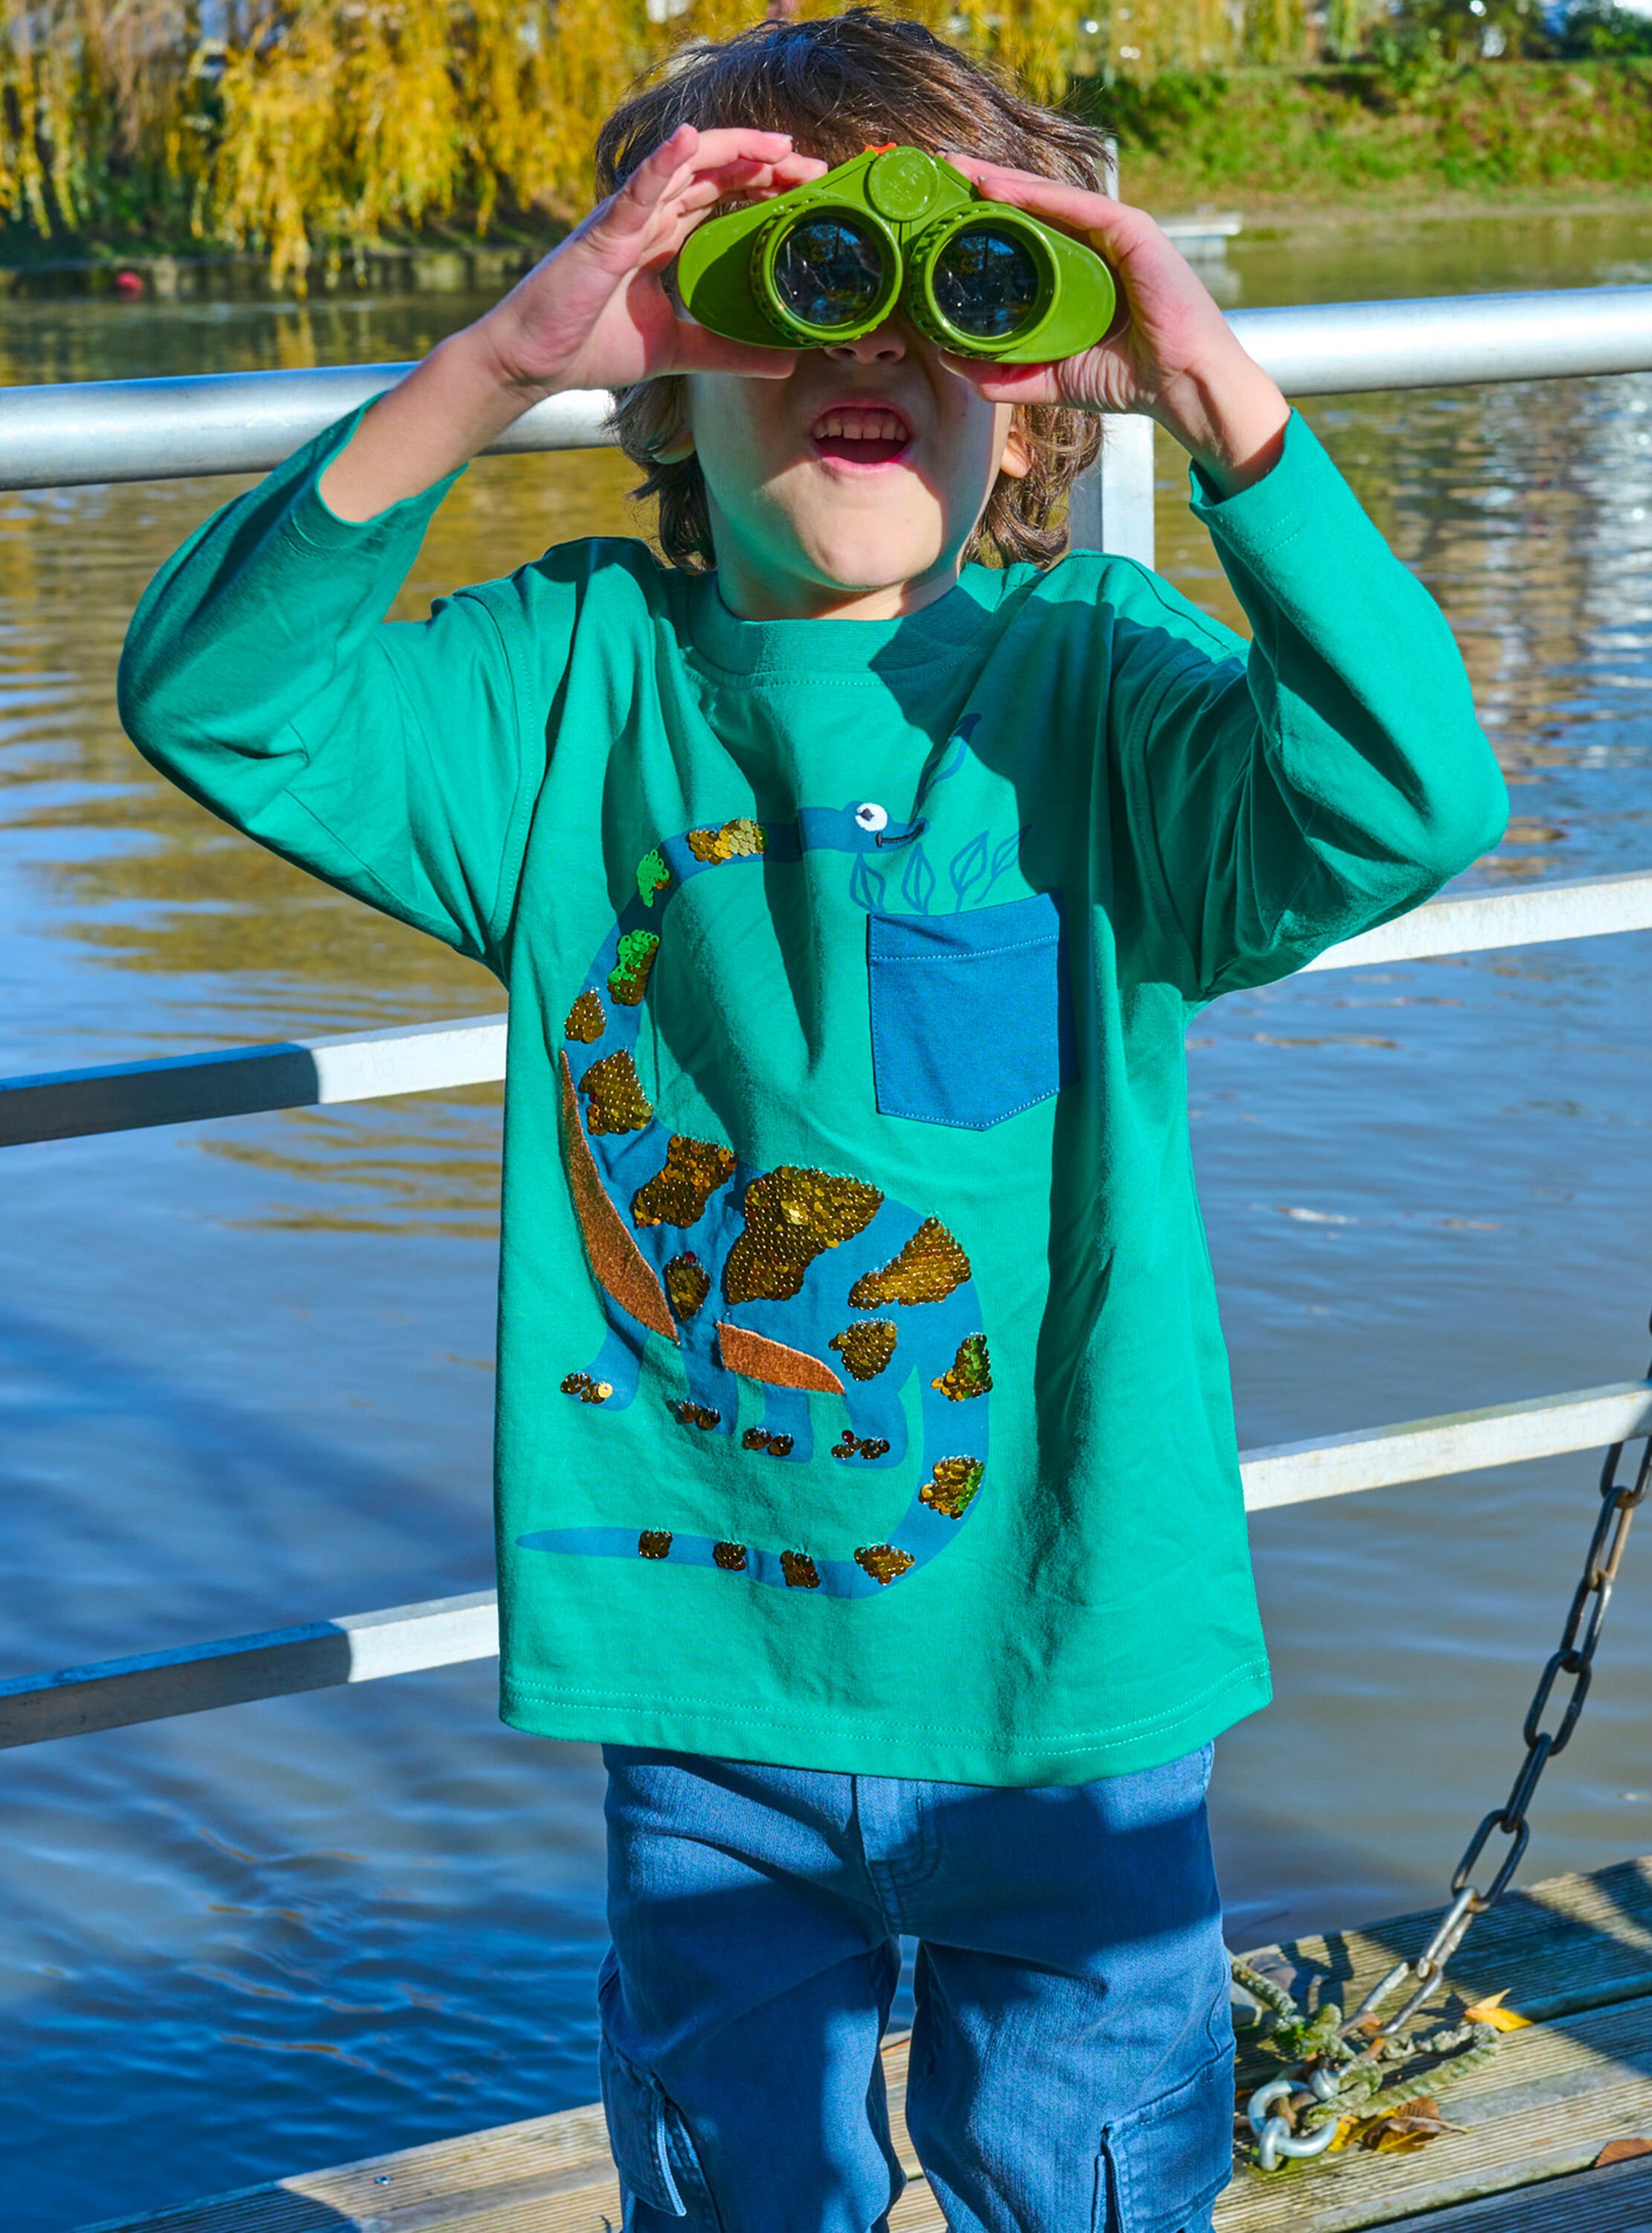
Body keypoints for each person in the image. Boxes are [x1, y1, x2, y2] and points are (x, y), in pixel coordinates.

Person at [118, 12, 1508, 2229]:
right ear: (662, 375)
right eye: (778, 287)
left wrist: (1214, 388)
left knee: (1090, 2178)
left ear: (1034, 384)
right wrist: (496, 362)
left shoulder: (1098, 683)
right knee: (740, 2185)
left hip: (1066, 1660)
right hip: (709, 1675)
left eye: (956, 298)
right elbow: (219, 695)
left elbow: (1409, 796)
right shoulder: (566, 686)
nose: (866, 346)